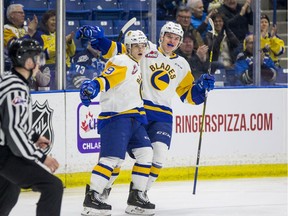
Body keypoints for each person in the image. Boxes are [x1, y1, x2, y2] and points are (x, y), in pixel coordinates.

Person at [76, 21, 215, 210]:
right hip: (137, 111)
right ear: (161, 36)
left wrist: (201, 89)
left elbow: (188, 96)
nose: (171, 41)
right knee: (115, 158)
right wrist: (99, 39)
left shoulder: (182, 65)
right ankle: (100, 190)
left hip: (162, 117)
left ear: (180, 41)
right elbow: (116, 50)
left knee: (156, 157)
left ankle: (139, 194)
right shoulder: (144, 48)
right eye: (168, 36)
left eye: (176, 38)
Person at [79, 30, 155, 216]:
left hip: (135, 118)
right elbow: (106, 78)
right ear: (128, 47)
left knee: (146, 153)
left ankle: (136, 197)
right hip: (116, 117)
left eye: (142, 45)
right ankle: (92, 199)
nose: (140, 49)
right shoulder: (122, 61)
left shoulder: (137, 62)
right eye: (136, 45)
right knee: (112, 160)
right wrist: (94, 87)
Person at [0, 38, 63, 216]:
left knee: (10, 190)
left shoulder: (8, 80)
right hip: (3, 153)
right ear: (28, 61)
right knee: (53, 186)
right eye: (37, 58)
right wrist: (42, 157)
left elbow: (9, 120)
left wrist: (34, 137)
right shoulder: (16, 89)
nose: (39, 63)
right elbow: (13, 130)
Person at [32, 10, 76, 90]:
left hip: (66, 68)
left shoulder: (60, 33)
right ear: (46, 22)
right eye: (52, 20)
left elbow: (72, 53)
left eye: (57, 20)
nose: (55, 22)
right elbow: (43, 55)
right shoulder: (40, 35)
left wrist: (69, 41)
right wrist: (63, 42)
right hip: (49, 69)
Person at [4, 4, 38, 72]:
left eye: (23, 12)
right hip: (10, 68)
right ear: (12, 15)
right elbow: (15, 47)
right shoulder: (5, 29)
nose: (23, 15)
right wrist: (30, 33)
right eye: (20, 12)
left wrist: (34, 33)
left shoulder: (26, 29)